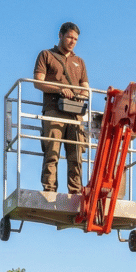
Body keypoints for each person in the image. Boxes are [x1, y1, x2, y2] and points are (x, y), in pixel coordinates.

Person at [33, 22, 89, 194]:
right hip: (54, 110)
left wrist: (77, 93)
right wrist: (59, 89)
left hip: (75, 113)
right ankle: (50, 190)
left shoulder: (79, 61)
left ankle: (75, 192)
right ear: (60, 35)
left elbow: (86, 89)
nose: (72, 41)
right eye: (69, 37)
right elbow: (37, 82)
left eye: (75, 39)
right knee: (52, 152)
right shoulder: (46, 55)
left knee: (76, 155)